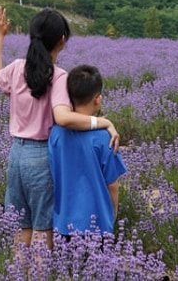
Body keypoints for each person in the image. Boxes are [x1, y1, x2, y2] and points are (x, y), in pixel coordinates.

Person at [0, 7, 119, 250]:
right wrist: (102, 122)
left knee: (22, 229)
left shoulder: (17, 68)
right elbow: (63, 117)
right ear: (62, 40)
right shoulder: (58, 76)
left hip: (16, 155)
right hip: (40, 159)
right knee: (41, 232)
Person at [49, 64, 127, 237]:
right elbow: (112, 185)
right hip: (97, 225)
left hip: (62, 224)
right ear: (98, 99)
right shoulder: (104, 137)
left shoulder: (55, 134)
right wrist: (112, 215)